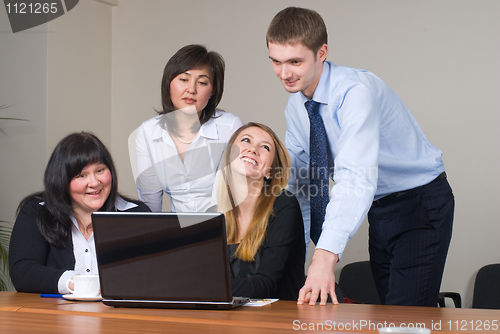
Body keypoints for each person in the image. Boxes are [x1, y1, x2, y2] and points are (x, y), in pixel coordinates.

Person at [266, 7, 454, 306]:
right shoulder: (297, 109)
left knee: (406, 317)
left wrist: (324, 259)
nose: (284, 73)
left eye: (295, 62)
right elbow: (303, 187)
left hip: (420, 203)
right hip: (379, 210)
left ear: (322, 52)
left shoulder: (355, 92)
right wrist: (295, 260)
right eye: (275, 61)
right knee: (390, 314)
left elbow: (355, 178)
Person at [9, 132, 151, 294]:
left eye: (100, 170)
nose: (94, 183)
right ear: (62, 180)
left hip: (118, 316)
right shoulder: (38, 211)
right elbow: (23, 272)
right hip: (54, 316)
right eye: (81, 175)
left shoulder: (136, 214)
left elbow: (154, 273)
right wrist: (76, 283)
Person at [135, 44, 244, 213]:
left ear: (213, 90)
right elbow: (150, 204)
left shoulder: (229, 127)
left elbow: (232, 195)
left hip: (225, 229)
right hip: (177, 234)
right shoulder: (147, 132)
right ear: (168, 83)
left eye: (202, 82)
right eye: (183, 80)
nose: (191, 90)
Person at [216, 122, 305, 300]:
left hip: (275, 320)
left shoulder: (284, 204)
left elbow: (265, 285)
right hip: (228, 320)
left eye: (265, 147)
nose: (253, 149)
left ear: (270, 171)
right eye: (246, 140)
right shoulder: (216, 214)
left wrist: (205, 288)